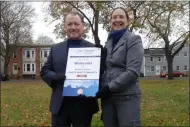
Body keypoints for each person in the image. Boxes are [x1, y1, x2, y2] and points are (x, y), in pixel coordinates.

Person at [40, 12, 99, 127]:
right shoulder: (55, 48)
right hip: (60, 105)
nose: (73, 27)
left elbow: (100, 75)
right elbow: (45, 71)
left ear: (83, 27)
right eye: (69, 24)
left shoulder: (93, 49)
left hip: (84, 105)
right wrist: (56, 77)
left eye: (76, 24)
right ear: (65, 27)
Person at [96, 7, 144, 127]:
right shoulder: (109, 41)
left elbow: (132, 71)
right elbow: (108, 68)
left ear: (128, 21)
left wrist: (109, 88)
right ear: (110, 21)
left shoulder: (134, 39)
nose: (117, 20)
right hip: (108, 99)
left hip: (127, 97)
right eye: (114, 17)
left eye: (121, 17)